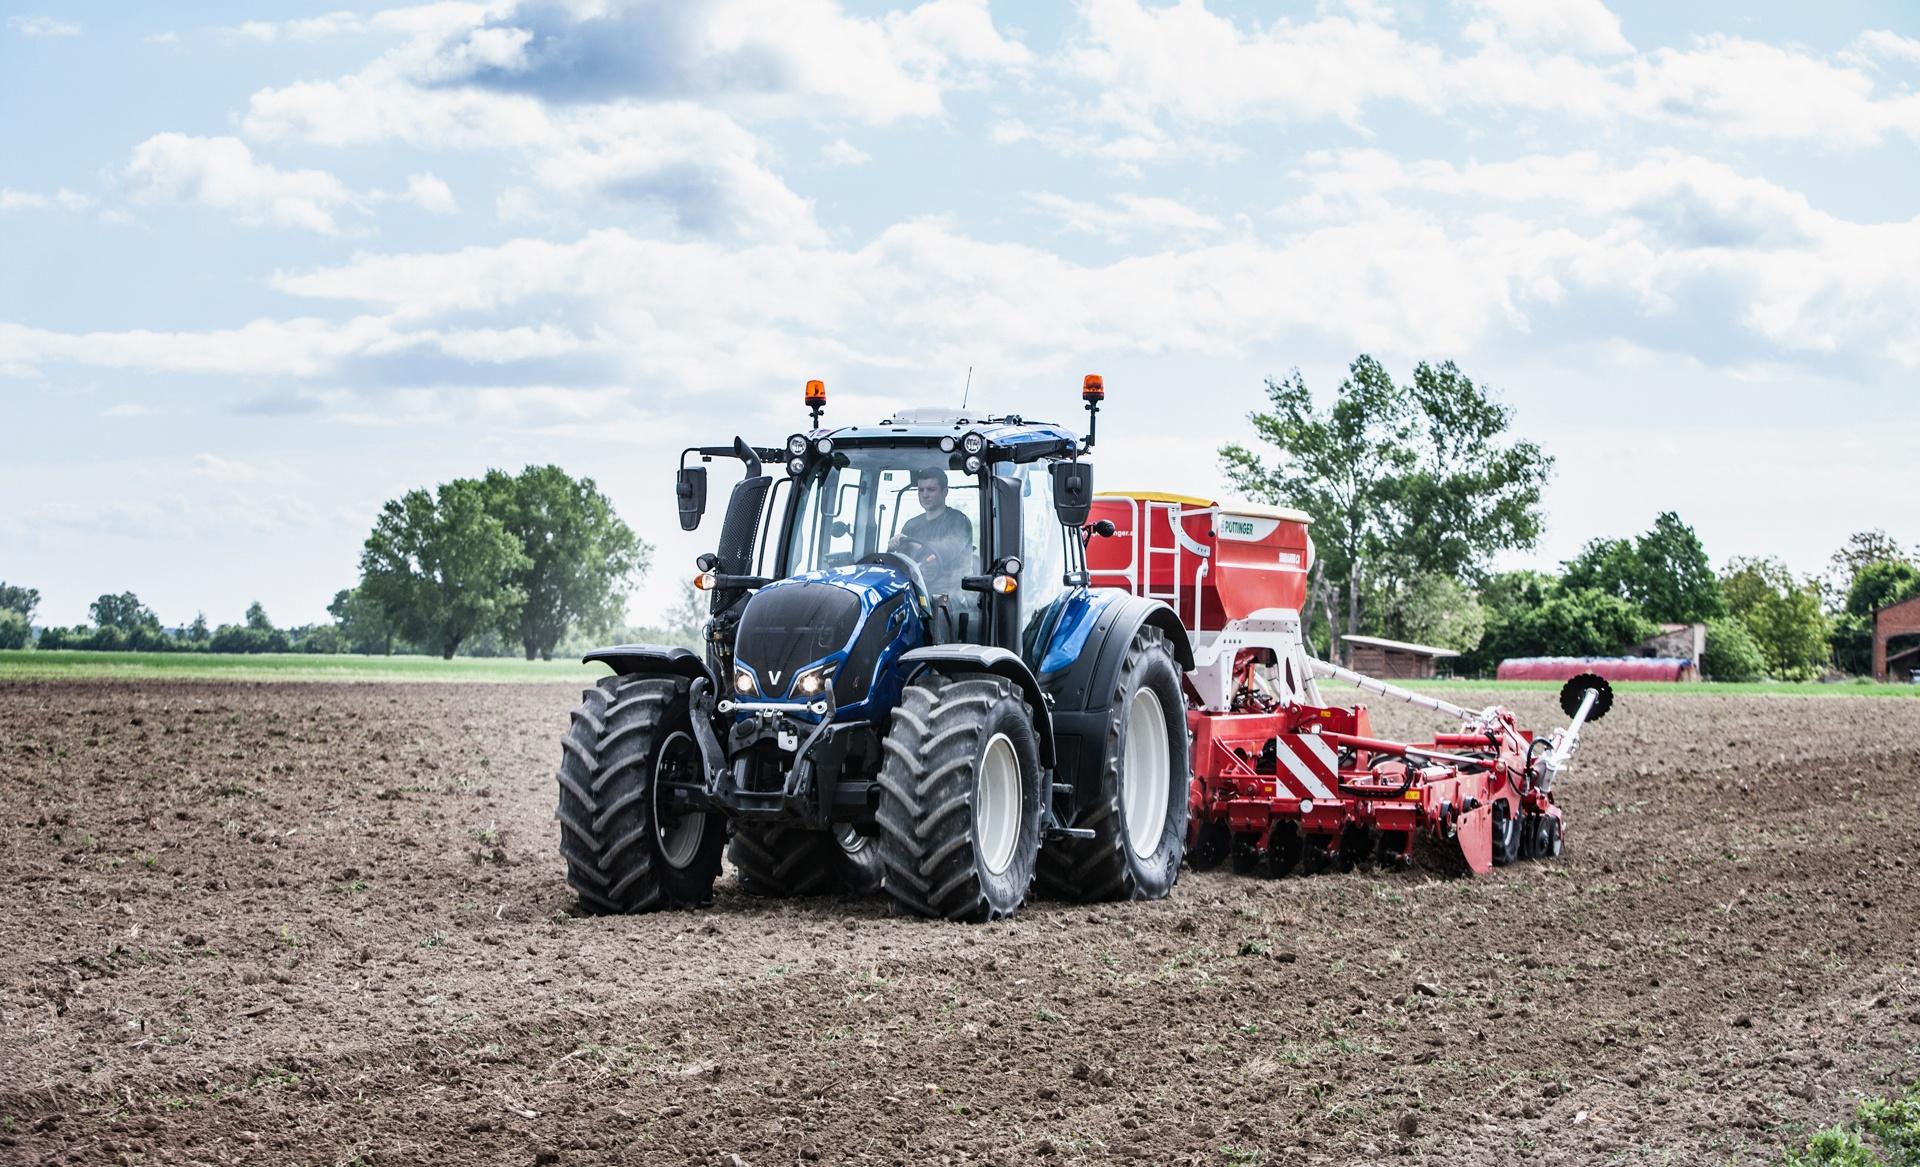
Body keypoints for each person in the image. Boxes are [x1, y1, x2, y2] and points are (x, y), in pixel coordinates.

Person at [895, 466, 973, 592]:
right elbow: (900, 560)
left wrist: (912, 543)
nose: (925, 495)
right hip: (917, 590)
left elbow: (947, 550)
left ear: (945, 492)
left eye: (931, 489)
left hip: (952, 595)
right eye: (921, 490)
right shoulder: (911, 524)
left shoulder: (959, 521)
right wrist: (894, 545)